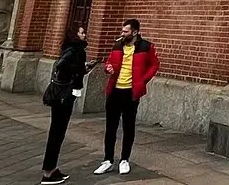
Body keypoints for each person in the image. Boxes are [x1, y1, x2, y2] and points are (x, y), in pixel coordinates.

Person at [94, 19, 160, 176]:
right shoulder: (117, 45)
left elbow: (154, 64)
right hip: (114, 90)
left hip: (131, 92)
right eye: (122, 31)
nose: (122, 34)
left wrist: (143, 80)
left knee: (128, 127)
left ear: (135, 32)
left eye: (126, 31)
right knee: (110, 127)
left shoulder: (146, 47)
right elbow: (110, 61)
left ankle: (124, 159)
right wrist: (108, 68)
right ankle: (108, 160)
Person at [41, 25, 96, 185]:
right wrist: (79, 67)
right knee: (57, 134)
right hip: (63, 97)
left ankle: (51, 169)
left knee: (57, 133)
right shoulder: (75, 50)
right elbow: (61, 66)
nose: (84, 34)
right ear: (75, 35)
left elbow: (71, 70)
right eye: (81, 32)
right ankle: (48, 172)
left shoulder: (72, 49)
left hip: (64, 96)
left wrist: (84, 69)